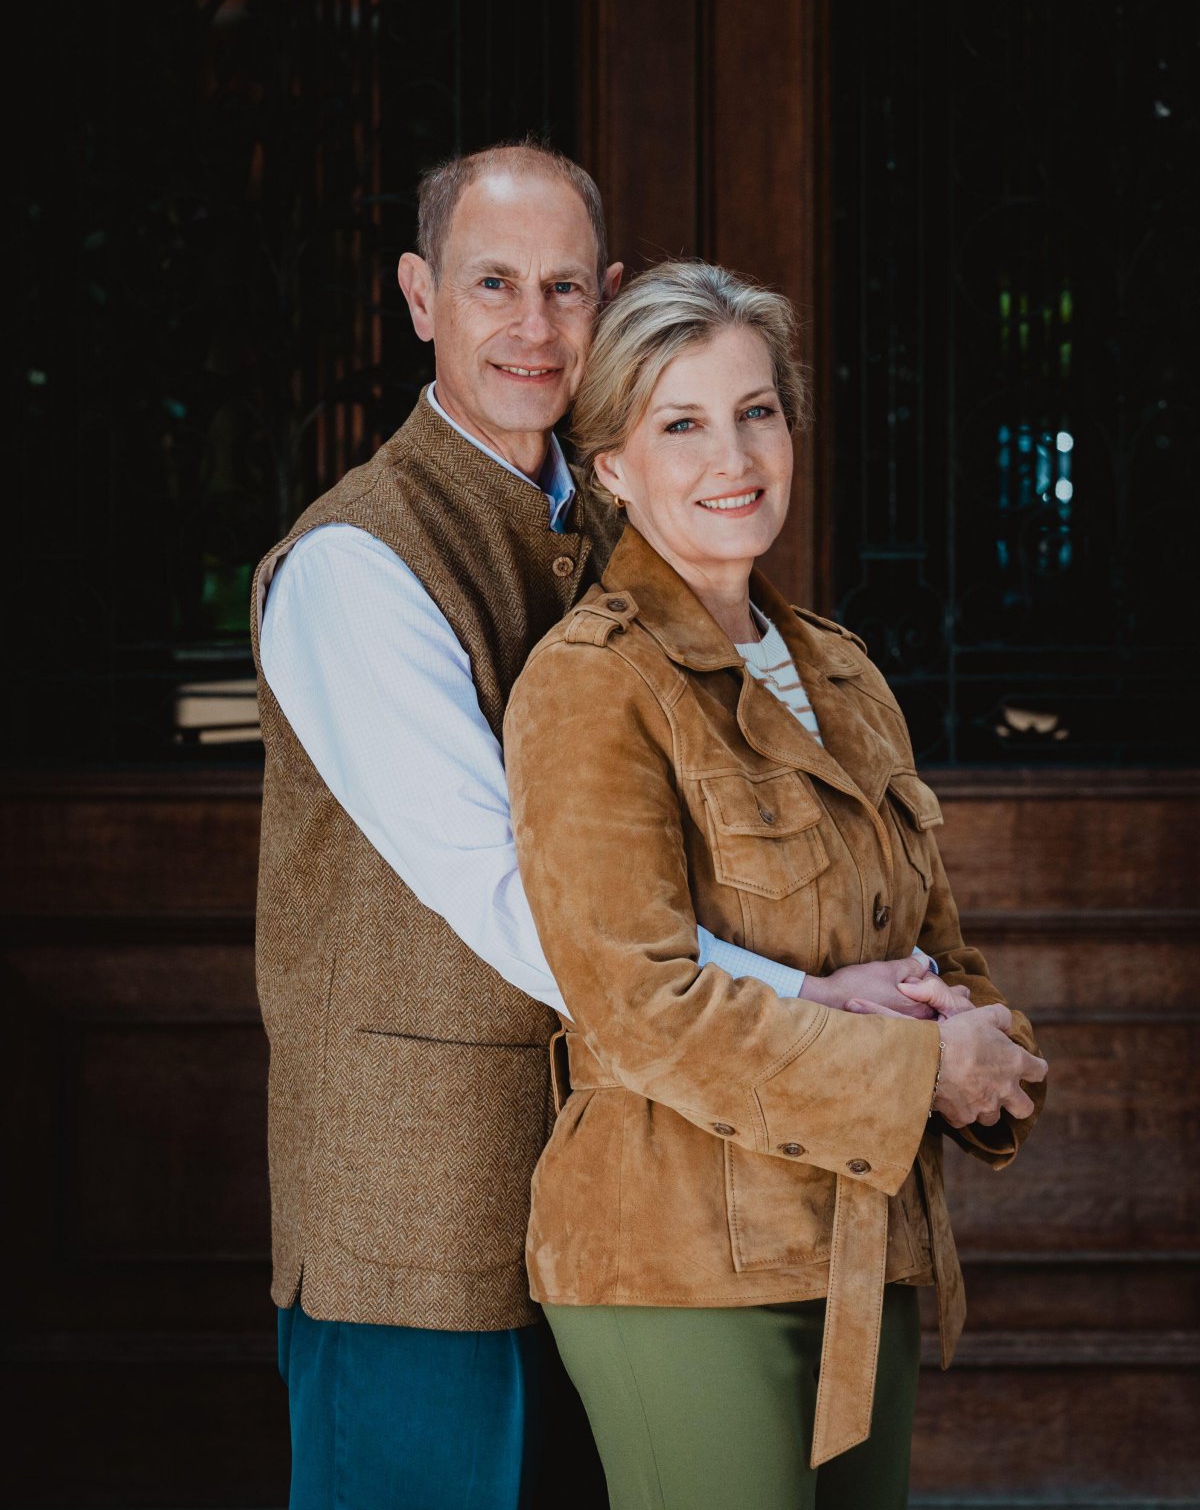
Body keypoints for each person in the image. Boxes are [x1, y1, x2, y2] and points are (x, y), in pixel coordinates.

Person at [251, 140, 952, 1508]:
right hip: (424, 1204)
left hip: (632, 1197)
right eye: (492, 283)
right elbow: (515, 894)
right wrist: (820, 1006)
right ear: (417, 296)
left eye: (567, 288)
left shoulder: (618, 527)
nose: (532, 325)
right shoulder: (358, 562)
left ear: (611, 298)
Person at [504, 259, 1049, 1510]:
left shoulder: (845, 673)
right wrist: (924, 1068)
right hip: (676, 1256)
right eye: (680, 422)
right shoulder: (591, 682)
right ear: (611, 468)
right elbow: (636, 1004)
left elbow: (935, 949)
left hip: (865, 1239)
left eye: (757, 410)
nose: (732, 454)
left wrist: (983, 1044)